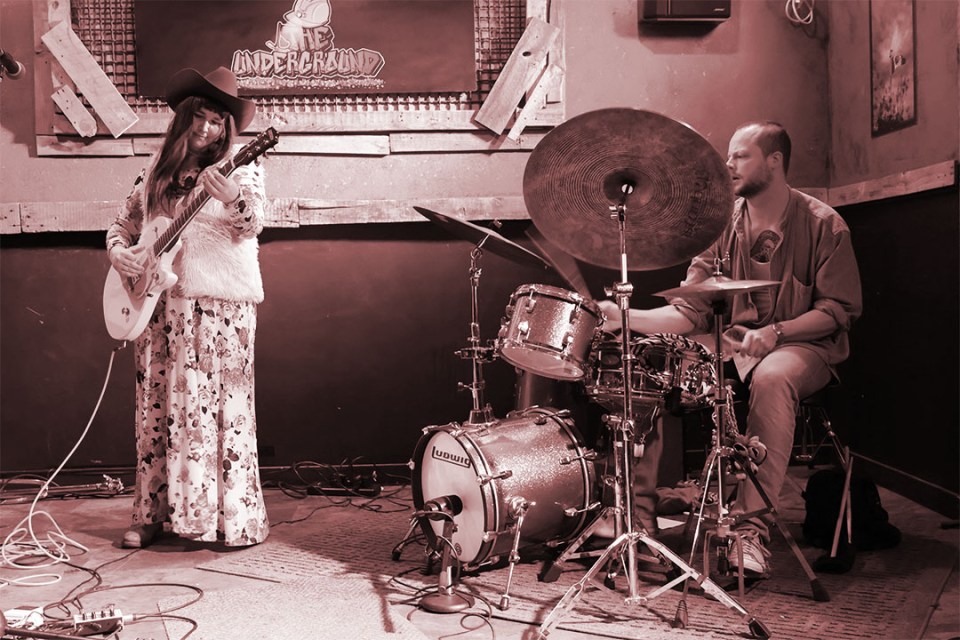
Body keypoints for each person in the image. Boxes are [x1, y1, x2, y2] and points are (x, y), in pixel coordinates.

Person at [598, 120, 862, 577]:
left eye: (740, 155)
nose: (728, 164)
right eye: (728, 155)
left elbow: (837, 311)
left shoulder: (823, 224)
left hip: (805, 345)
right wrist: (627, 318)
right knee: (651, 361)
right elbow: (691, 310)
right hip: (731, 342)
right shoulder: (723, 225)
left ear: (774, 161)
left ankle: (750, 533)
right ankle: (637, 524)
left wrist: (776, 333)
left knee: (773, 376)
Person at [106, 67, 269, 548]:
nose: (207, 128)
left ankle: (224, 519)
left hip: (219, 310)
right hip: (158, 306)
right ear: (184, 118)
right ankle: (152, 514)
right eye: (200, 117)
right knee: (158, 412)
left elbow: (252, 225)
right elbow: (122, 227)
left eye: (217, 121)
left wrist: (234, 198)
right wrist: (118, 253)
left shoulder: (241, 168)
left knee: (217, 414)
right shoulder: (154, 172)